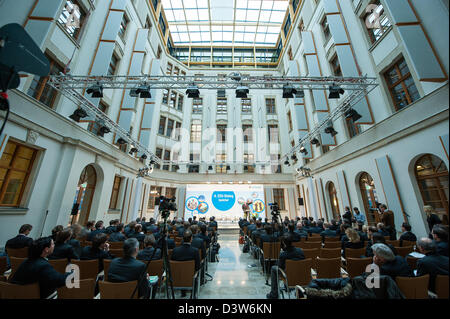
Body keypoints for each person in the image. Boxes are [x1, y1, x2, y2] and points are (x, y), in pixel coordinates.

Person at [266, 234, 305, 299]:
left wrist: (280, 256)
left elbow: (279, 267)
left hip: (289, 277)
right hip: (301, 277)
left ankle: (274, 294)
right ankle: (299, 292)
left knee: (273, 268)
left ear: (283, 243)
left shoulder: (283, 255)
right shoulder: (300, 251)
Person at [171, 230, 201, 297]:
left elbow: (172, 264)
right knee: (194, 274)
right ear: (191, 239)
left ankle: (183, 292)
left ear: (182, 239)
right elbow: (198, 266)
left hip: (177, 278)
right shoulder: (195, 251)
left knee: (180, 270)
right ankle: (192, 296)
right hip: (190, 277)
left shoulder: (175, 250)